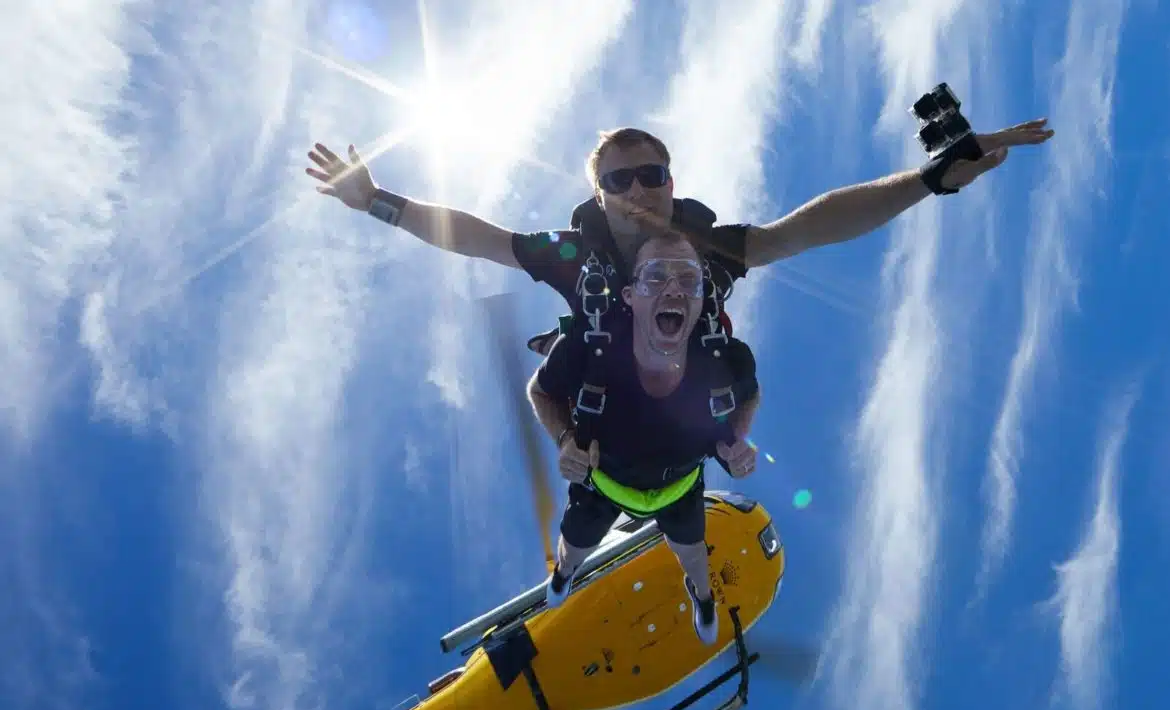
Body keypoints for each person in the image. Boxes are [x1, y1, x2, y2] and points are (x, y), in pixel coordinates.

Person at [304, 116, 1054, 352]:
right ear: (600, 196)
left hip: (689, 397)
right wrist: (378, 202)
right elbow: (477, 236)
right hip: (605, 391)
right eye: (619, 181)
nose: (638, 190)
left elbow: (813, 225)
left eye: (650, 174)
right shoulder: (577, 257)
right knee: (573, 367)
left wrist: (928, 181)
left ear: (670, 182)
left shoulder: (712, 250)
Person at [526, 230, 761, 646]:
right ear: (630, 296)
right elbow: (540, 390)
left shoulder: (726, 359)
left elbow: (751, 394)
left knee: (692, 552)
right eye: (655, 277)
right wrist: (564, 439)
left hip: (679, 486)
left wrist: (735, 441)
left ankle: (703, 598)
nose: (672, 289)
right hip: (601, 481)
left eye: (688, 280)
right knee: (575, 543)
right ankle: (564, 574)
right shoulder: (585, 347)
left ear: (702, 298)